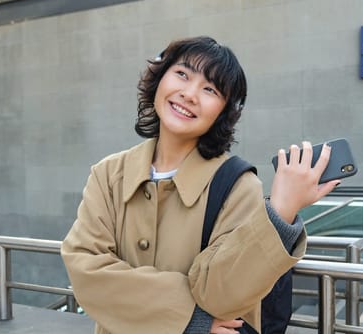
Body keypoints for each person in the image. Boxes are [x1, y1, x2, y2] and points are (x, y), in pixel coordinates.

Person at [61, 36, 341, 334]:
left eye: (210, 89)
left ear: (223, 112)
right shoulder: (108, 174)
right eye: (182, 74)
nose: (190, 94)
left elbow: (219, 296)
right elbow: (84, 268)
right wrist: (190, 317)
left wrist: (282, 211)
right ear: (159, 79)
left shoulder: (237, 185)